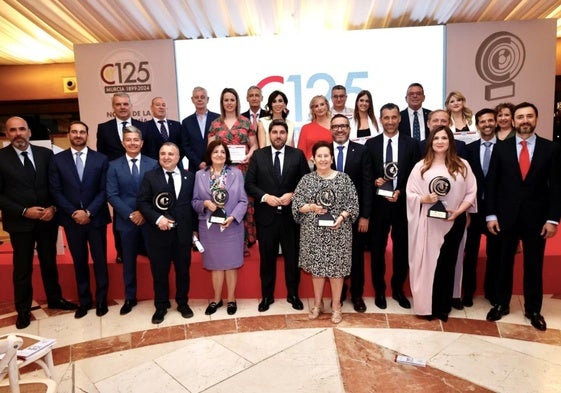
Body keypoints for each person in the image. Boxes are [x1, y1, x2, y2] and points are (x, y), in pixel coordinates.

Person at [485, 102, 561, 331]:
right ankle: (501, 304)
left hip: (537, 219)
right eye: (520, 117)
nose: (524, 120)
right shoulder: (501, 148)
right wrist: (490, 215)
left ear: (536, 119)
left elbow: (557, 187)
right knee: (503, 262)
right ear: (513, 121)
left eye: (529, 116)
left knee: (534, 264)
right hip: (505, 217)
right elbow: (492, 184)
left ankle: (533, 309)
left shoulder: (552, 149)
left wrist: (552, 219)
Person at [0, 117, 77, 329]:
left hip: (47, 220)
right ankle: (23, 310)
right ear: (7, 134)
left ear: (29, 132)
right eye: (13, 130)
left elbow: (55, 185)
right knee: (22, 268)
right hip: (20, 223)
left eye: (22, 129)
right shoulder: (1, 158)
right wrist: (25, 211)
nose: (18, 134)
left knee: (49, 262)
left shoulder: (46, 154)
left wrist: (53, 207)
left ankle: (55, 298)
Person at [406, 126, 477, 321]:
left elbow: (471, 191)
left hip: (454, 221)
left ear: (450, 141)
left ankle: (443, 306)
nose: (440, 141)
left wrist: (459, 211)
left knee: (447, 264)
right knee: (430, 265)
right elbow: (410, 193)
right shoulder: (421, 167)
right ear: (430, 142)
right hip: (429, 223)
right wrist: (424, 199)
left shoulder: (462, 165)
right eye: (436, 138)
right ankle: (427, 307)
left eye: (444, 138)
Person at [246, 119, 310, 312]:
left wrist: (293, 194)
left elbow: (307, 182)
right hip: (266, 217)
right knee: (267, 259)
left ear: (287, 134)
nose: (278, 136)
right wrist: (265, 197)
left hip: (291, 218)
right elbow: (249, 184)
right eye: (274, 132)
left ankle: (293, 294)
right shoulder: (258, 155)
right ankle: (267, 296)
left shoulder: (297, 155)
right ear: (269, 134)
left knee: (292, 258)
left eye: (282, 132)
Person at [292, 141, 359, 324]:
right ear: (313, 158)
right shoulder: (307, 180)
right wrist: (311, 207)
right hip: (313, 234)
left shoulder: (344, 179)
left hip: (338, 233)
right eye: (319, 156)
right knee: (317, 270)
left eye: (326, 156)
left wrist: (342, 217)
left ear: (331, 158)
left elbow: (353, 205)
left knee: (337, 271)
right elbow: (297, 205)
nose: (322, 159)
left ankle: (336, 306)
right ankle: (317, 304)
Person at [50, 121, 111, 319]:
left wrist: (89, 212)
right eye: (74, 132)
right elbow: (55, 191)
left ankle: (102, 300)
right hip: (71, 220)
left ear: (87, 135)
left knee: (100, 261)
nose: (78, 135)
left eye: (82, 132)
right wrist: (74, 212)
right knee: (79, 261)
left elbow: (104, 190)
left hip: (96, 219)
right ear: (69, 134)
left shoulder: (101, 159)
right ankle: (84, 301)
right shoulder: (57, 160)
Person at [365, 104, 420, 310]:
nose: (389, 121)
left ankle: (398, 289)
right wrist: (376, 182)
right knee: (377, 250)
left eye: (393, 117)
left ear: (400, 119)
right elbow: (367, 174)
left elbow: (416, 175)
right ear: (381, 119)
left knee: (402, 250)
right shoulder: (371, 144)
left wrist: (401, 191)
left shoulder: (411, 144)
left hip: (403, 205)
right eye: (386, 117)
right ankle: (380, 290)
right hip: (379, 206)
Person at [137, 142, 197, 324]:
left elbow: (193, 205)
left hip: (183, 234)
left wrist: (195, 230)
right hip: (158, 234)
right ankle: (161, 306)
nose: (166, 157)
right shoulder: (150, 177)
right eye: (163, 153)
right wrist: (157, 219)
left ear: (178, 157)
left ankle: (182, 303)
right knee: (160, 272)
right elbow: (142, 202)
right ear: (159, 156)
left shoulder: (190, 177)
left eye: (171, 153)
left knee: (183, 271)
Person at [192, 140, 248, 316]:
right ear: (210, 155)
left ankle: (231, 299)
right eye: (215, 152)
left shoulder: (236, 174)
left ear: (227, 156)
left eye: (223, 152)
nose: (219, 155)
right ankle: (216, 299)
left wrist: (232, 217)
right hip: (209, 228)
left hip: (231, 226)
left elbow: (243, 201)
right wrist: (205, 203)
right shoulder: (199, 175)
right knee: (215, 265)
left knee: (231, 265)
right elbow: (194, 202)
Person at [106, 126, 158, 315]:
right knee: (128, 261)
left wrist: (144, 213)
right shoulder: (113, 166)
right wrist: (131, 214)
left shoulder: (153, 163)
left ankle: (160, 297)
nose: (133, 143)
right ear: (123, 143)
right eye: (129, 140)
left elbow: (156, 191)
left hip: (149, 220)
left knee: (156, 260)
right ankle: (130, 298)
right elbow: (112, 195)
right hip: (126, 222)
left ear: (142, 143)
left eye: (136, 139)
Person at [330, 114, 373, 312]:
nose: (340, 129)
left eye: (343, 126)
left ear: (349, 128)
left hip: (355, 217)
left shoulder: (362, 151)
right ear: (331, 129)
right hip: (328, 217)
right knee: (334, 256)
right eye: (336, 126)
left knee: (355, 257)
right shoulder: (324, 151)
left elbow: (366, 185)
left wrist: (365, 215)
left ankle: (357, 295)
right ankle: (337, 295)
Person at [208, 87, 259, 254]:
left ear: (237, 102)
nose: (229, 103)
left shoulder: (245, 122)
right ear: (222, 103)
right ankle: (227, 240)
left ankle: (244, 242)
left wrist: (249, 155)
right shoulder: (215, 124)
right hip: (221, 171)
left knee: (242, 204)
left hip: (243, 170)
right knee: (225, 202)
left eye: (232, 100)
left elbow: (254, 146)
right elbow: (210, 148)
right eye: (226, 100)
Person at [97, 92, 142, 263]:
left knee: (144, 211)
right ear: (113, 107)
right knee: (120, 215)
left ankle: (142, 247)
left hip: (140, 175)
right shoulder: (104, 128)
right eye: (118, 104)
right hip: (117, 177)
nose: (122, 107)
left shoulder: (142, 126)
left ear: (131, 106)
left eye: (125, 104)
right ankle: (121, 251)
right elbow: (102, 155)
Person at [463, 108, 500, 307]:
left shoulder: (505, 148)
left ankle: (491, 292)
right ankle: (467, 292)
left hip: (497, 211)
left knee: (495, 253)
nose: (486, 124)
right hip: (474, 210)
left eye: (490, 121)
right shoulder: (469, 150)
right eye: (482, 122)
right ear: (477, 126)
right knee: (471, 253)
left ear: (495, 123)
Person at [181, 87, 220, 172]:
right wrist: (198, 163)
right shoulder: (186, 122)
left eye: (202, 97)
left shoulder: (218, 118)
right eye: (196, 97)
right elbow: (185, 146)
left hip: (216, 164)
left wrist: (210, 161)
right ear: (192, 99)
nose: (199, 100)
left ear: (207, 99)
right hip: (195, 167)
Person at [297, 95, 332, 165]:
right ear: (312, 110)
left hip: (331, 166)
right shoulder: (306, 128)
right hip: (310, 167)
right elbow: (300, 152)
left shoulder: (335, 125)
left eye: (322, 104)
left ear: (327, 106)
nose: (320, 108)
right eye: (316, 106)